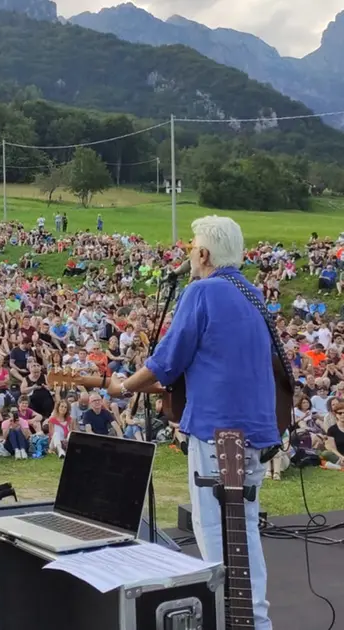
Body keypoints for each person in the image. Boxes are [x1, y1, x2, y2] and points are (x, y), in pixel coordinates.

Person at [108, 216, 277, 630]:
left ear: (203, 254)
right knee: (245, 533)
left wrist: (125, 386)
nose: (188, 255)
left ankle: (234, 620)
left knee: (217, 535)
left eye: (192, 248)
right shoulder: (252, 293)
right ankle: (254, 620)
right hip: (255, 432)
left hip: (218, 433)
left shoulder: (201, 293)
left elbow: (167, 362)